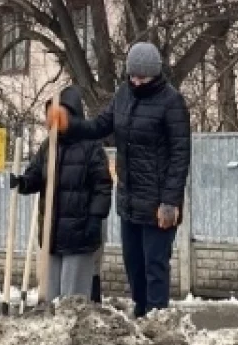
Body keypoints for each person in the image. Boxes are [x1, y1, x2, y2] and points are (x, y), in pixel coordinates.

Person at [47, 42, 190, 317]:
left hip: (159, 202)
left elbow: (180, 155)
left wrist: (170, 202)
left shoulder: (172, 102)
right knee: (133, 264)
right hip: (129, 198)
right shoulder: (124, 94)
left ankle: (156, 318)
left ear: (155, 74)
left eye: (142, 77)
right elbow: (100, 125)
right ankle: (140, 311)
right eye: (132, 76)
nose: (136, 82)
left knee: (154, 265)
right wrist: (69, 125)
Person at [13, 87, 114, 299]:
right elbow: (35, 175)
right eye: (49, 116)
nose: (52, 121)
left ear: (72, 115)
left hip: (79, 233)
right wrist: (23, 183)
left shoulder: (90, 146)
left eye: (58, 115)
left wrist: (95, 218)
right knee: (50, 297)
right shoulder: (48, 146)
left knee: (73, 298)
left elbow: (102, 186)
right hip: (52, 233)